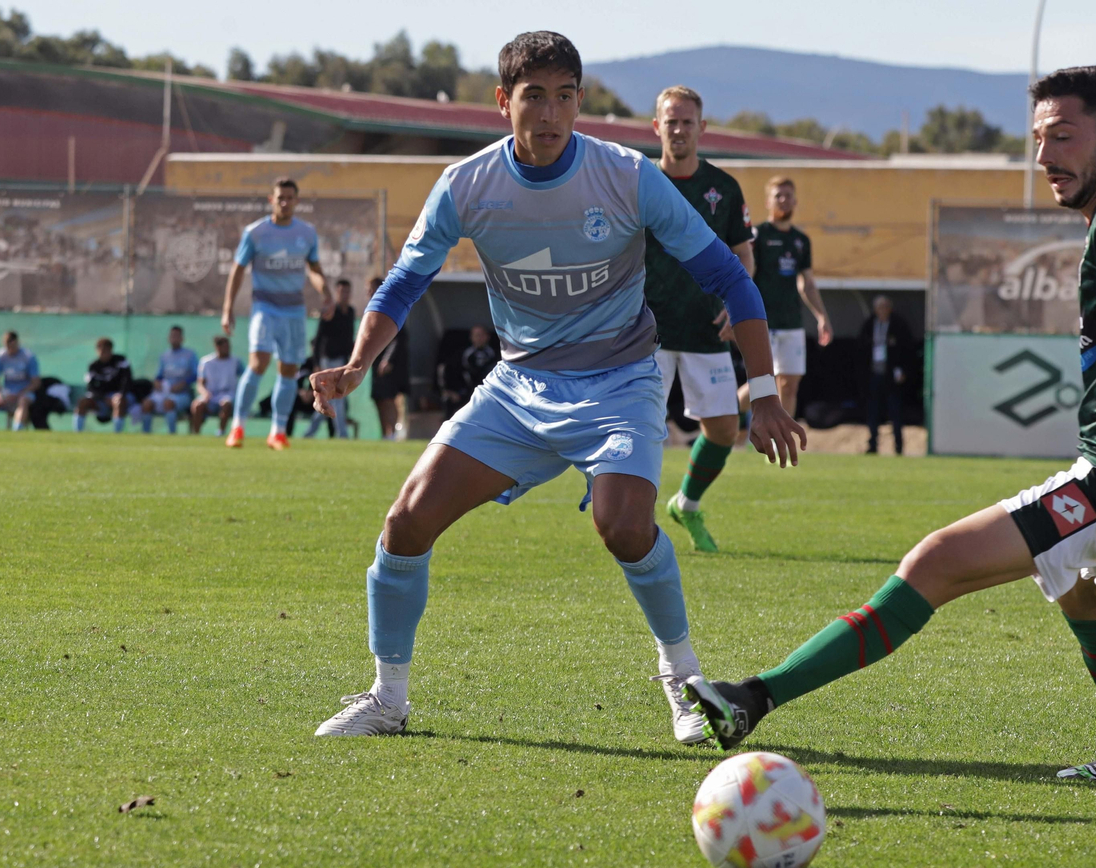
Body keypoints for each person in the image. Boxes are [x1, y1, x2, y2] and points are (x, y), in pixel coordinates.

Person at [685, 66, 1096, 784]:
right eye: (1038, 137)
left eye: (1063, 137)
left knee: (934, 563)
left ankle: (751, 698)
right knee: (1085, 595)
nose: (1044, 155)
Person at [307, 31, 805, 741]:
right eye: (533, 96)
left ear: (581, 103)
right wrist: (358, 363)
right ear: (502, 101)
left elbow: (728, 274)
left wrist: (765, 392)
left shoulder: (627, 176)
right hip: (519, 385)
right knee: (405, 522)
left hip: (621, 381)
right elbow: (405, 281)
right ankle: (388, 697)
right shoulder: (466, 184)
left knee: (625, 525)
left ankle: (684, 680)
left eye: (564, 97)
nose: (549, 113)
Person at [645, 85, 756, 554]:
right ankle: (630, 520)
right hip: (644, 331)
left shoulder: (724, 189)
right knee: (636, 431)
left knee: (724, 431)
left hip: (705, 329)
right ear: (657, 127)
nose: (679, 129)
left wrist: (737, 304)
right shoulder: (638, 181)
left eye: (687, 121)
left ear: (702, 127)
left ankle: (687, 504)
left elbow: (744, 257)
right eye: (671, 121)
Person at [221, 177, 332, 450]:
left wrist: (325, 292)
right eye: (279, 198)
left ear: (296, 201)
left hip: (294, 311)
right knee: (258, 363)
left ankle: (278, 432)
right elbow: (237, 270)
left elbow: (314, 268)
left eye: (289, 198)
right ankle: (237, 427)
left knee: (289, 370)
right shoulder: (256, 232)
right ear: (271, 200)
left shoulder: (306, 233)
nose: (284, 202)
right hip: (264, 308)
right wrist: (228, 309)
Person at [749, 176, 833, 418]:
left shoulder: (801, 240)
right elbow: (747, 276)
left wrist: (822, 316)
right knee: (762, 387)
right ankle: (723, 418)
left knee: (790, 385)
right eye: (778, 196)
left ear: (795, 201)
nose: (784, 200)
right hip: (763, 323)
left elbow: (806, 283)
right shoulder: (758, 235)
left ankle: (781, 444)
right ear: (768, 202)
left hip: (792, 323)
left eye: (788, 196)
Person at [859, 295, 916, 455]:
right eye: (879, 308)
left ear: (890, 308)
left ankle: (898, 446)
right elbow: (862, 350)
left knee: (895, 411)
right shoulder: (870, 325)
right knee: (873, 411)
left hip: (892, 375)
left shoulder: (898, 325)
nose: (882, 311)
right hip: (874, 374)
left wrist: (903, 370)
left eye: (885, 307)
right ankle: (872, 444)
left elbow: (907, 350)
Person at [311, 277, 357, 437]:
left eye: (347, 291)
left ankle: (310, 433)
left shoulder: (350, 312)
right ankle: (342, 434)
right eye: (341, 291)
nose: (344, 294)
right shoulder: (330, 311)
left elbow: (350, 338)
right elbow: (318, 338)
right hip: (328, 361)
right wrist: (317, 362)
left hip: (342, 361)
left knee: (329, 398)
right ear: (337, 292)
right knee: (336, 397)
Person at [368, 275, 409, 440]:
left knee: (389, 398)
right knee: (378, 398)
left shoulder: (392, 306)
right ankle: (385, 433)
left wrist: (388, 360)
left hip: (388, 363)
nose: (369, 293)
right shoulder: (372, 309)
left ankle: (392, 433)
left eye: (372, 290)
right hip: (375, 360)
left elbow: (399, 336)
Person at [141, 326, 199, 434]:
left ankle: (171, 435)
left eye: (177, 336)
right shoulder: (164, 356)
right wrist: (157, 382)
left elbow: (197, 374)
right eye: (172, 336)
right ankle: (145, 435)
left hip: (182, 394)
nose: (174, 339)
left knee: (169, 403)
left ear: (182, 338)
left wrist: (183, 384)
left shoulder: (190, 354)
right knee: (147, 404)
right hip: (164, 392)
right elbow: (159, 375)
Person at [74, 337, 134, 432]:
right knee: (82, 402)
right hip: (100, 399)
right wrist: (102, 398)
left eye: (105, 350)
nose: (102, 352)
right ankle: (77, 433)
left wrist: (120, 394)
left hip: (119, 396)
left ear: (111, 350)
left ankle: (117, 434)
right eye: (100, 349)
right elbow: (90, 387)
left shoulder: (121, 361)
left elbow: (127, 380)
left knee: (118, 401)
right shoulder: (93, 365)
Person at [192, 335, 243, 435]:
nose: (227, 349)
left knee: (226, 404)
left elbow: (244, 377)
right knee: (197, 405)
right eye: (225, 347)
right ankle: (196, 434)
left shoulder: (236, 361)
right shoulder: (206, 362)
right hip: (210, 396)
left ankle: (220, 432)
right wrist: (205, 393)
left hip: (228, 394)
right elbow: (200, 383)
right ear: (217, 347)